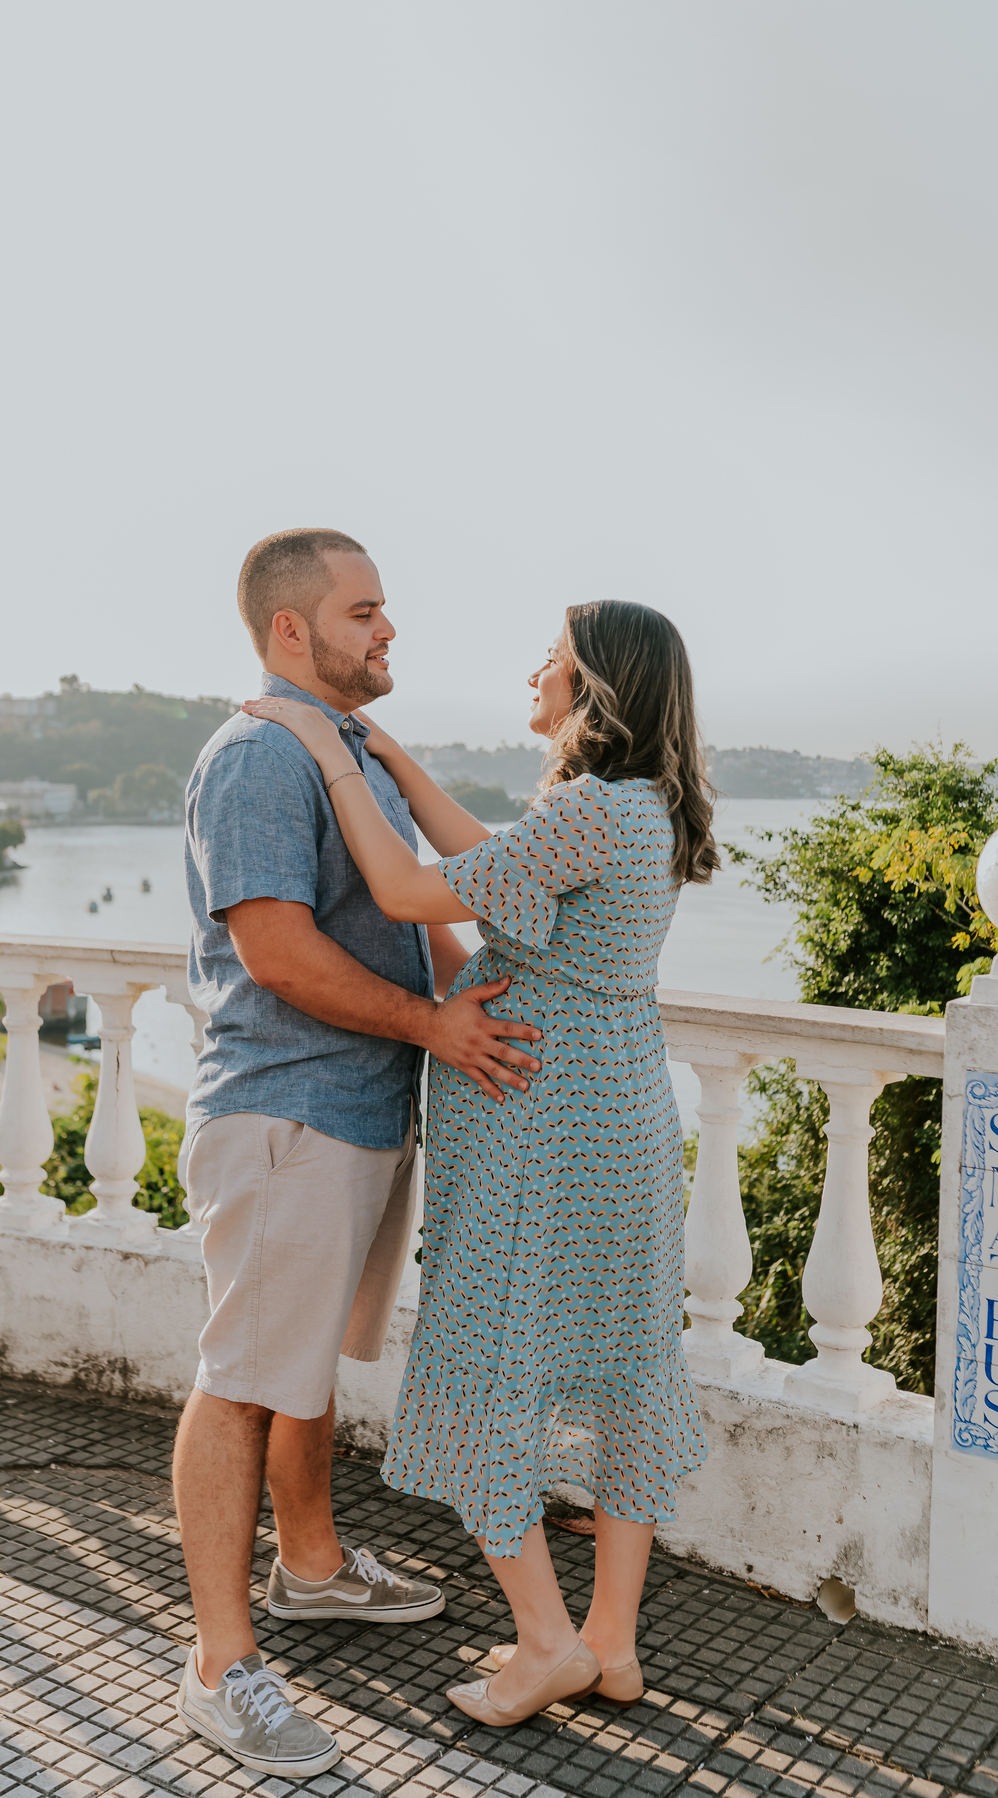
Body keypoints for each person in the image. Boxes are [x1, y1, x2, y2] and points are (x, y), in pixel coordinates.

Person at [242, 597, 718, 1727]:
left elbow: (412, 891)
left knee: (487, 1361)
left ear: (595, 688)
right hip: (620, 1107)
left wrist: (333, 757)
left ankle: (546, 1640)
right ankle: (609, 1643)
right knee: (626, 1361)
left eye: (552, 661)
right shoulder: (638, 808)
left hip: (543, 1124)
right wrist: (393, 755)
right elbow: (485, 862)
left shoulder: (593, 808)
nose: (534, 675)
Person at [173, 527, 544, 1779]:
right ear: (293, 629)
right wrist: (434, 1024)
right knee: (239, 1378)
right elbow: (276, 950)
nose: (389, 632)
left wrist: (468, 1006)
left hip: (363, 1108)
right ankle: (223, 1664)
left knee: (302, 1359)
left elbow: (406, 916)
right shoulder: (259, 758)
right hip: (287, 1110)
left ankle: (314, 1568)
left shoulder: (349, 755)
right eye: (365, 611)